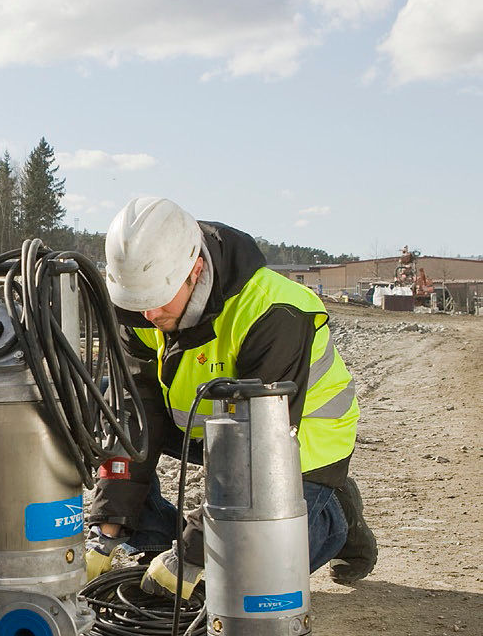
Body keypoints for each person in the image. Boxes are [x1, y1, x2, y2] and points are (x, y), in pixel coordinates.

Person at [84, 197, 377, 597]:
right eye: (139, 301)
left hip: (296, 446)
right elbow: (138, 413)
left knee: (251, 576)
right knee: (107, 400)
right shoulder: (140, 309)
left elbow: (257, 449)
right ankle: (157, 539)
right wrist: (106, 529)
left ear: (196, 269)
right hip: (208, 429)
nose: (149, 315)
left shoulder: (273, 311)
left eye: (158, 298)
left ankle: (335, 514)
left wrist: (194, 554)